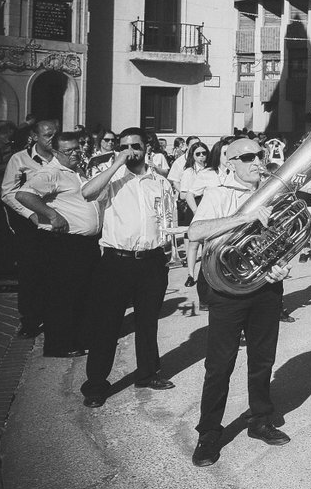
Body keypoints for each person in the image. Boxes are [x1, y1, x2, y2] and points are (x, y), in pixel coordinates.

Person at [186, 138, 293, 466]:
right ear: (230, 162)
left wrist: (281, 265)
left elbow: (282, 240)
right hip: (227, 290)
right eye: (247, 157)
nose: (256, 161)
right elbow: (195, 231)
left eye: (259, 155)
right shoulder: (219, 193)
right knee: (219, 364)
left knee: (263, 359)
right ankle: (208, 432)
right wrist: (243, 217)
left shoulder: (272, 194)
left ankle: (260, 419)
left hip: (264, 288)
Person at [79, 128, 178, 407]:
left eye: (135, 145)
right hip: (116, 261)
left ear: (146, 146)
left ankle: (148, 373)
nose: (130, 150)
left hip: (151, 260)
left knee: (148, 322)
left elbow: (166, 217)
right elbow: (87, 193)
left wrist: (168, 250)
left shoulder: (159, 181)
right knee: (106, 325)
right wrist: (116, 163)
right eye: (124, 146)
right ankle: (96, 385)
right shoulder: (111, 176)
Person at [13, 131, 100, 358]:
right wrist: (51, 215)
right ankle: (58, 344)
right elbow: (23, 194)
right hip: (64, 243)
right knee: (62, 295)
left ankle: (79, 337)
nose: (74, 153)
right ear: (56, 151)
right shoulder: (51, 172)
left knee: (83, 292)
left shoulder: (75, 170)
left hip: (84, 244)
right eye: (68, 151)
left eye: (76, 149)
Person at [1, 118, 61, 338]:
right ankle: (30, 320)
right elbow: (8, 192)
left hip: (58, 223)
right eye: (47, 135)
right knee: (30, 273)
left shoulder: (60, 158)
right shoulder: (20, 159)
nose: (52, 138)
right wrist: (31, 213)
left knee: (55, 271)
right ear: (34, 137)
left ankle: (54, 316)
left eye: (55, 134)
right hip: (31, 225)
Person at [178, 142, 217, 287]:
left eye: (204, 153)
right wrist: (195, 210)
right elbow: (183, 194)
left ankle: (206, 274)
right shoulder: (189, 172)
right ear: (192, 156)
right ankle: (190, 274)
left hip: (207, 206)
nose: (201, 156)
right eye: (198, 154)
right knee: (193, 243)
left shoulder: (210, 170)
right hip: (194, 206)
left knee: (207, 243)